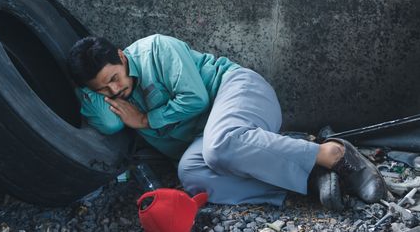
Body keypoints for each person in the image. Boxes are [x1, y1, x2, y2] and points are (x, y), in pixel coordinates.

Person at [67, 34, 387, 209]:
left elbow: (196, 99)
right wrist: (86, 90)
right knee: (191, 174)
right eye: (101, 89)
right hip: (210, 138)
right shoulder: (113, 96)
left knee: (219, 145)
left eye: (114, 78)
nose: (114, 90)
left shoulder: (156, 50)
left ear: (122, 57)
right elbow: (107, 125)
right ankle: (309, 180)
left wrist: (147, 119)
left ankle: (334, 154)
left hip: (238, 92)